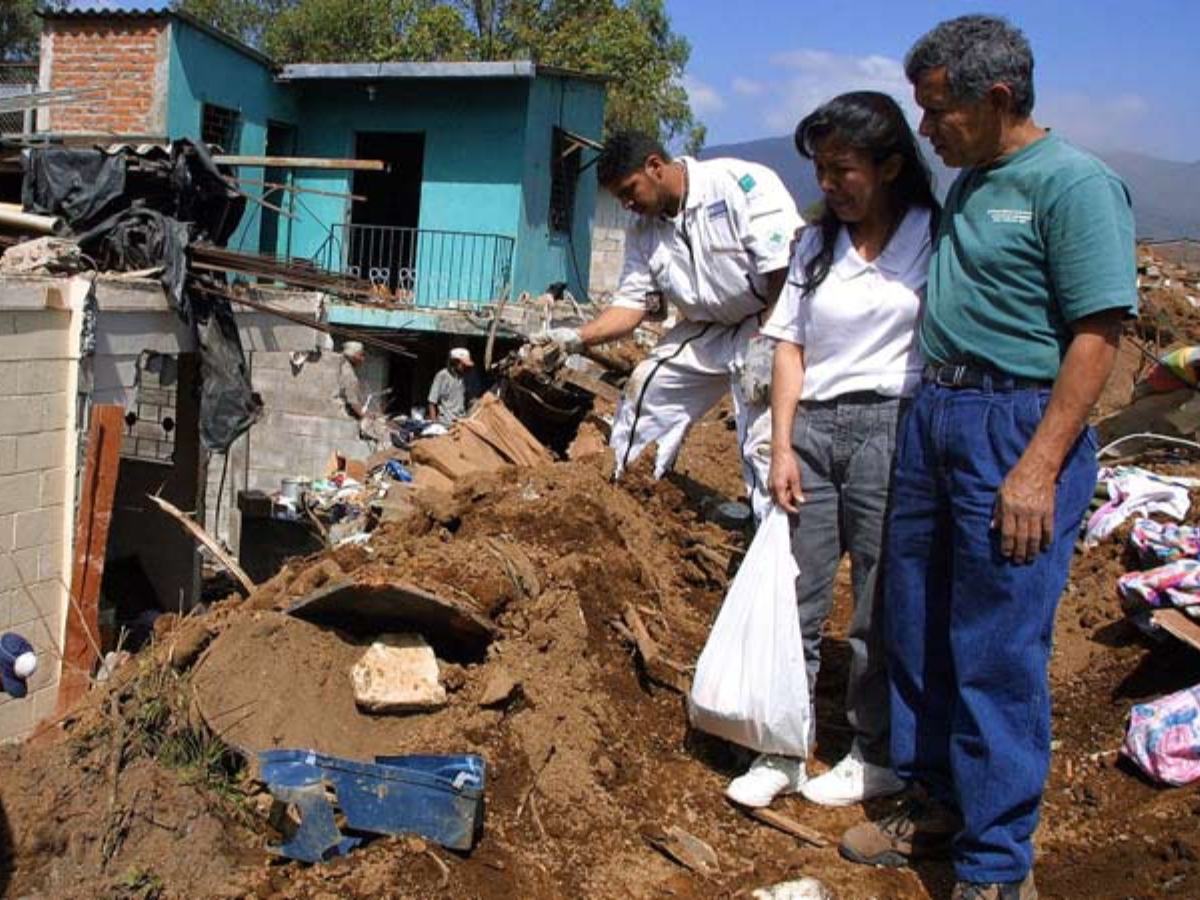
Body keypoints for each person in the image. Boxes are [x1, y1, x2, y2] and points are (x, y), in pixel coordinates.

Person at [838, 16, 1137, 900]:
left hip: (1014, 423)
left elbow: (1097, 334)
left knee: (997, 643)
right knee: (917, 615)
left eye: (937, 113)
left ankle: (996, 864)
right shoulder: (972, 183)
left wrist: (1038, 465)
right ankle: (932, 802)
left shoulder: (1074, 185)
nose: (925, 132)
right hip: (936, 412)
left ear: (996, 99)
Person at [724, 92, 937, 810]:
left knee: (878, 603)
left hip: (892, 426)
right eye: (820, 170)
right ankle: (780, 747)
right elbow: (789, 345)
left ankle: (871, 751)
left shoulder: (932, 238)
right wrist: (781, 444)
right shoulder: (814, 246)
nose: (830, 184)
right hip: (812, 431)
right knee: (796, 593)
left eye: (844, 169)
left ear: (891, 166)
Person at [539, 131, 802, 514]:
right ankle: (625, 501)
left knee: (762, 438)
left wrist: (772, 341)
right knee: (647, 387)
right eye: (620, 198)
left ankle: (771, 539)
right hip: (704, 328)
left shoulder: (738, 185)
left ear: (655, 167)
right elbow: (632, 307)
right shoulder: (644, 232)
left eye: (630, 191)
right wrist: (575, 338)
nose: (628, 205)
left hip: (764, 319)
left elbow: (785, 269)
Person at [427, 347, 475, 425]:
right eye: (463, 365)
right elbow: (432, 402)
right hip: (446, 424)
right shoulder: (442, 376)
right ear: (455, 362)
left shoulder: (464, 378)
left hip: (461, 422)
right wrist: (434, 424)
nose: (465, 368)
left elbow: (467, 400)